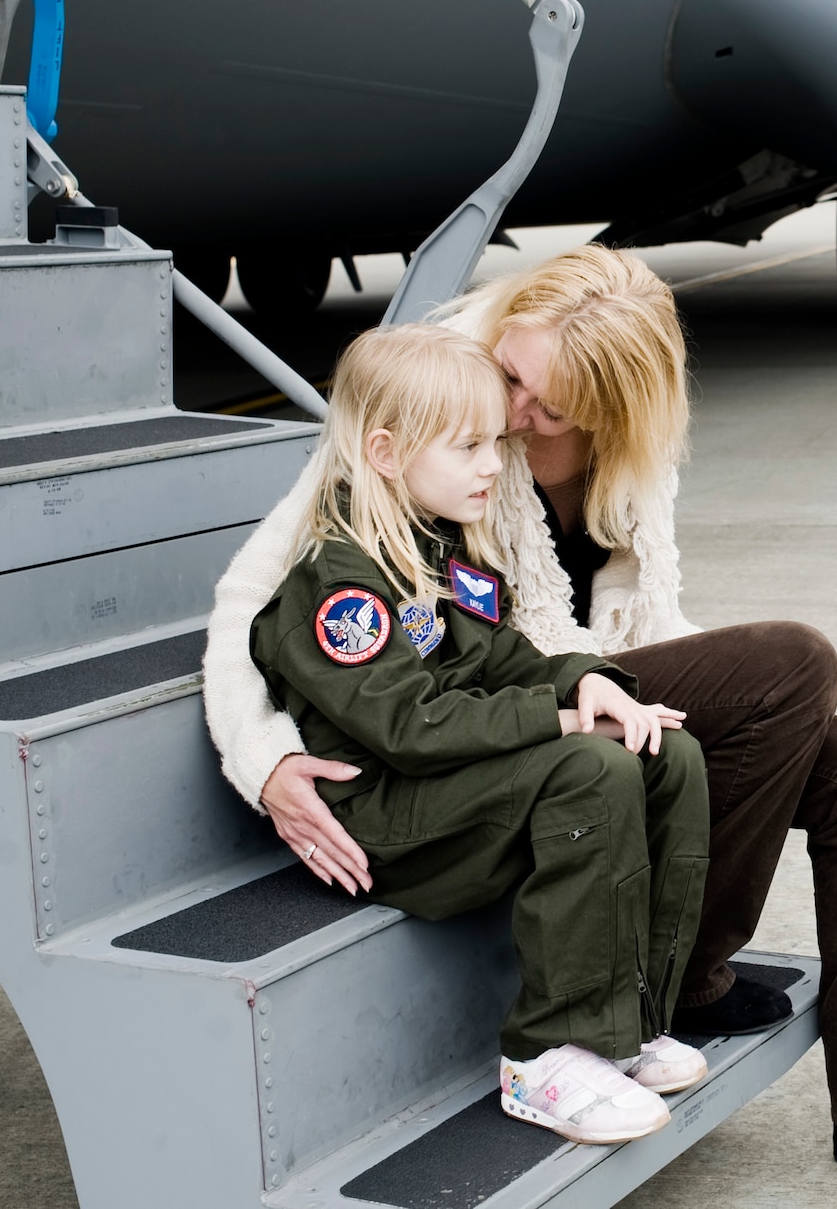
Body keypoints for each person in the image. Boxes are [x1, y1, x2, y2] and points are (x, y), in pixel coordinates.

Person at [203, 246, 837, 1197]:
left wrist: (618, 687)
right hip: (505, 713)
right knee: (797, 660)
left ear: (610, 409)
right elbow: (257, 600)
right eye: (517, 376)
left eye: (547, 408)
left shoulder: (630, 450)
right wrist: (263, 758)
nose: (515, 416)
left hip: (558, 679)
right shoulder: (440, 389)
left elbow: (647, 618)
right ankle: (685, 980)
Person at [244, 322, 710, 1145]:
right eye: (468, 446)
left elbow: (496, 652)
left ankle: (628, 1021)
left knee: (666, 752)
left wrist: (582, 679)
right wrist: (561, 717)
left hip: (448, 789)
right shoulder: (340, 582)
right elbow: (410, 726)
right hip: (385, 818)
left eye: (495, 440)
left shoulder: (433, 539)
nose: (496, 462)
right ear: (386, 451)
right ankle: (544, 1055)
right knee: (588, 770)